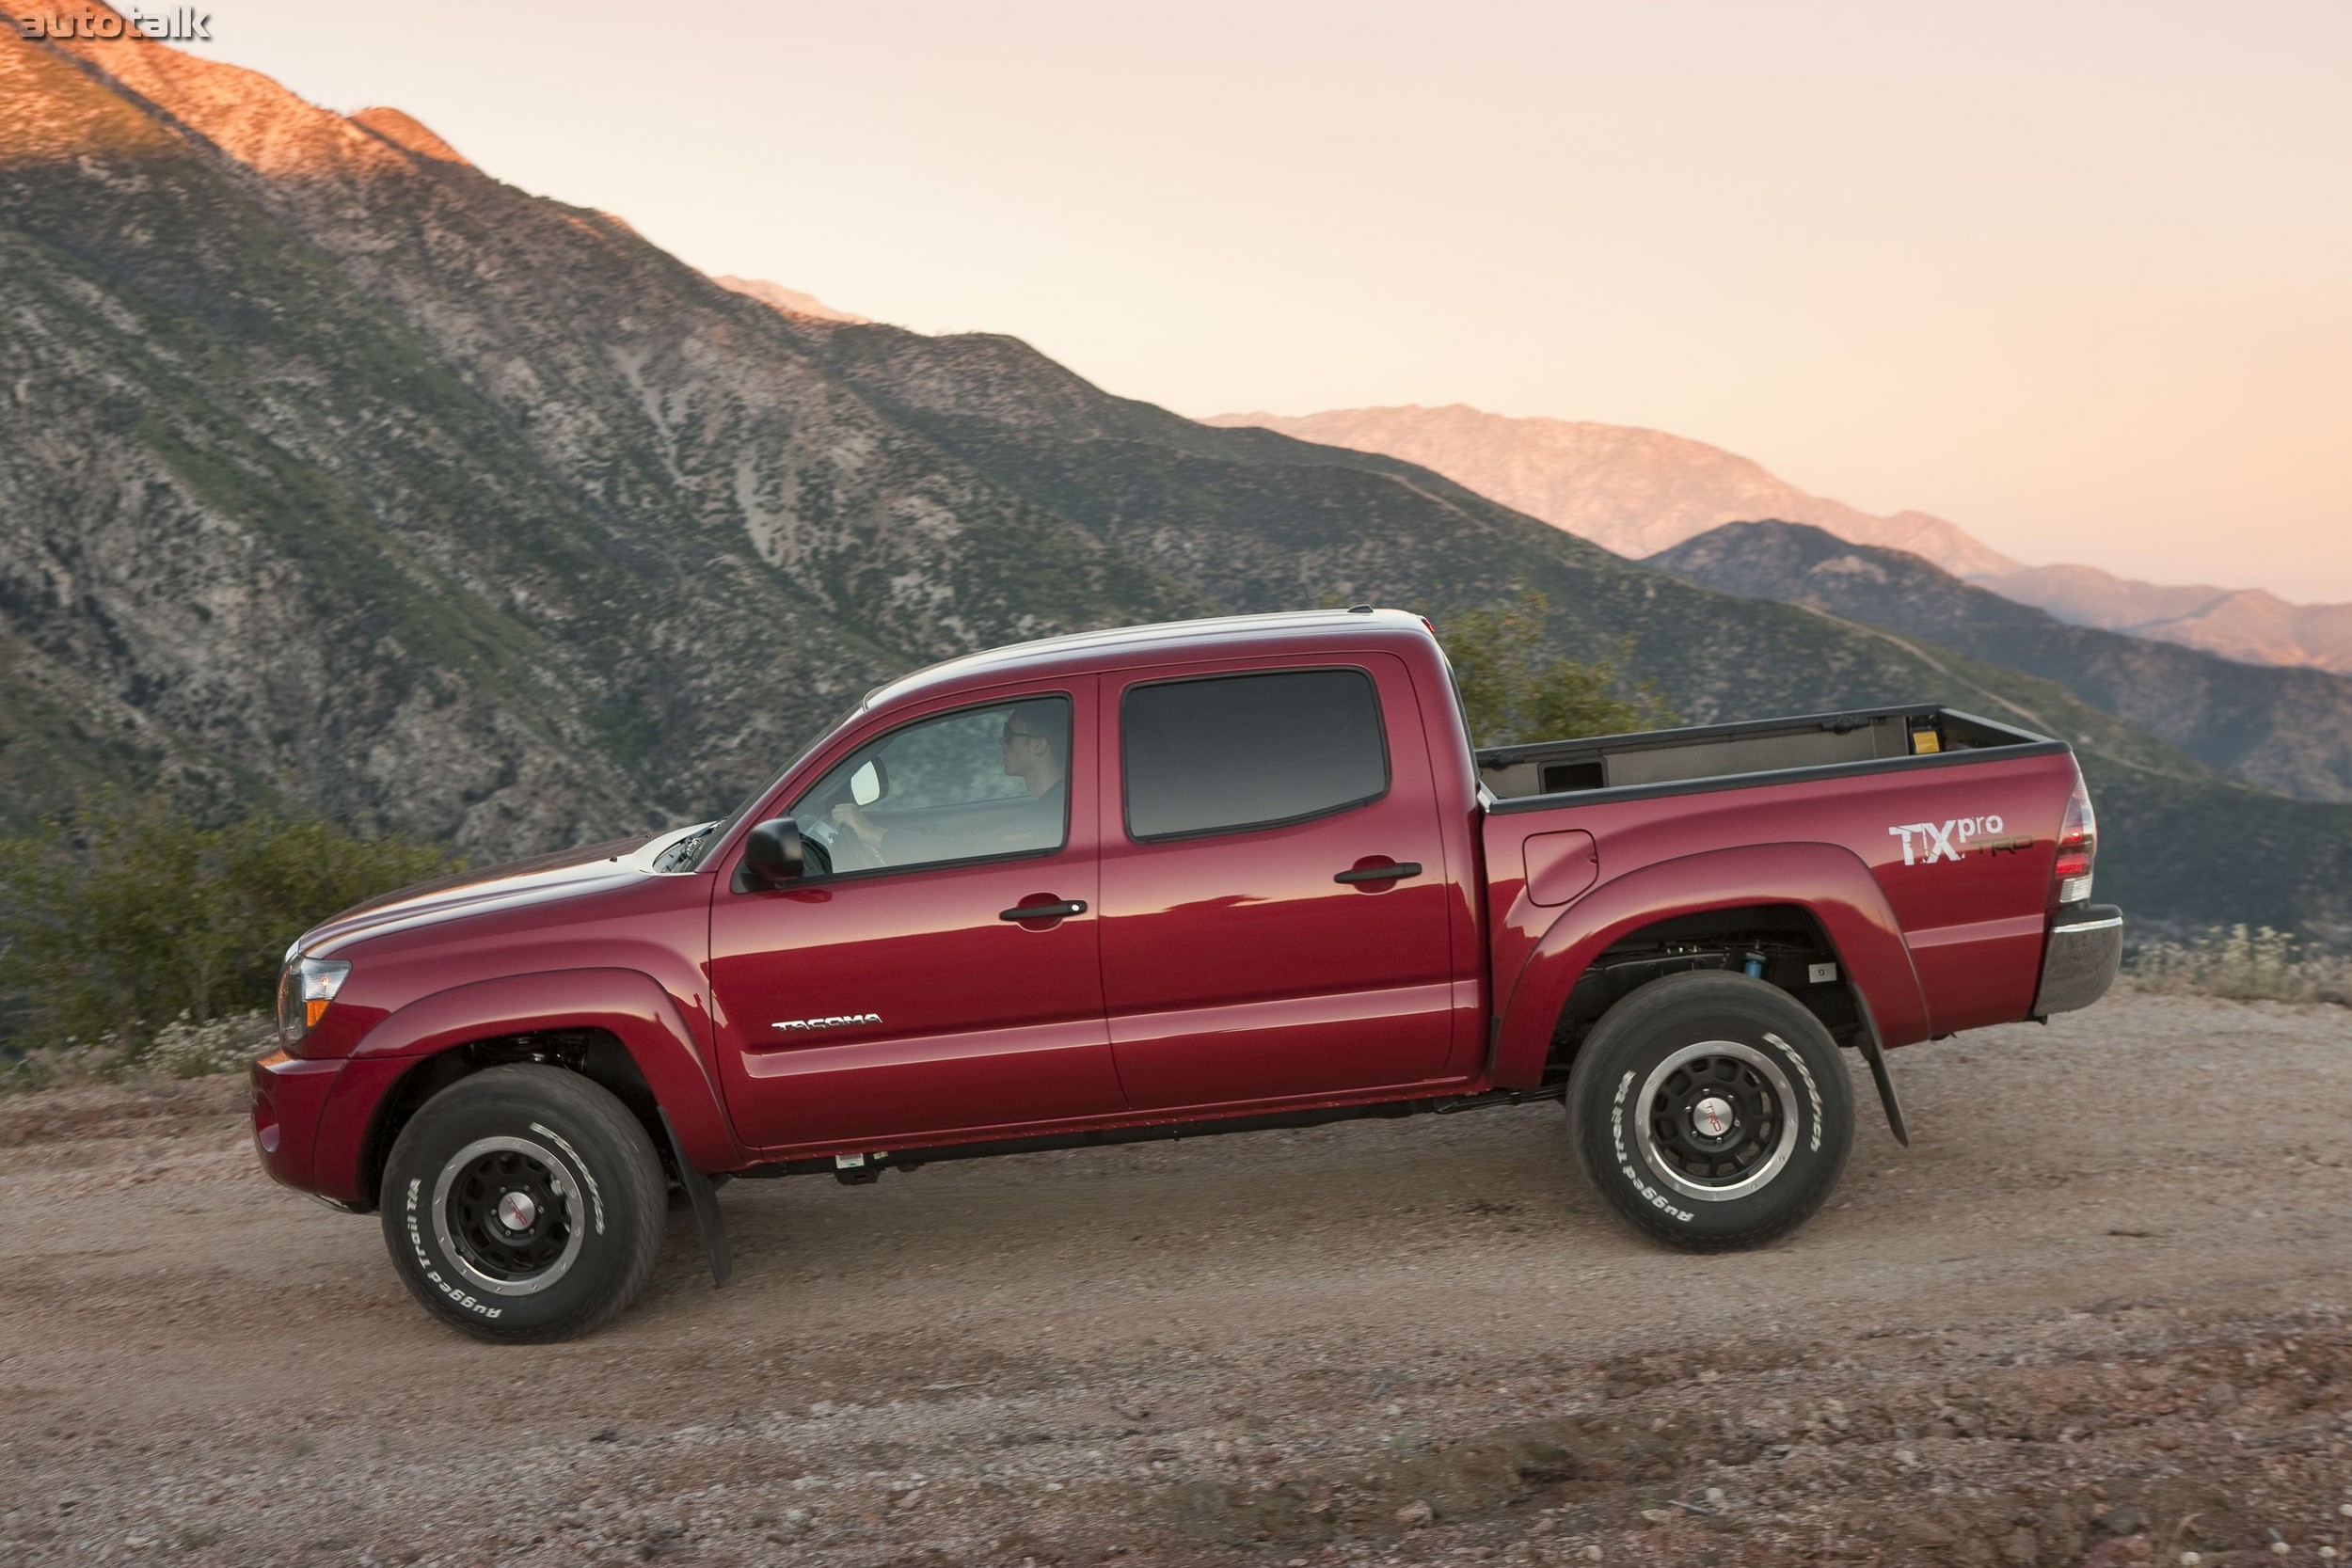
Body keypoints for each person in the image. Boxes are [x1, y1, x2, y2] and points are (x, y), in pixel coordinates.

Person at [830, 700, 1067, 863]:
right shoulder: (1057, 804)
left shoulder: (1053, 815)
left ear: (1038, 745)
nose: (1000, 741)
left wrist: (873, 833)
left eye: (1008, 734)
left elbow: (976, 851)